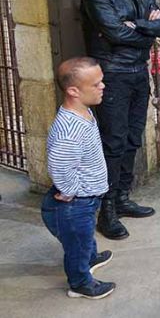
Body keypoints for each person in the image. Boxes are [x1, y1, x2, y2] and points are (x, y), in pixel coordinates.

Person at [81, 0, 160, 240]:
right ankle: (106, 211)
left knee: (133, 138)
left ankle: (122, 198)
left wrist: (140, 25)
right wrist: (146, 28)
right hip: (113, 75)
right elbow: (115, 32)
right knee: (113, 141)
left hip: (138, 74)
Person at [41, 57, 116, 299]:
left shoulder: (83, 111)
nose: (102, 86)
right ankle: (81, 283)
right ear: (73, 91)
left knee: (84, 236)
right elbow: (60, 167)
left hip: (87, 196)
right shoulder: (69, 131)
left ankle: (90, 257)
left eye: (101, 80)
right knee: (77, 244)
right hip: (75, 202)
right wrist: (71, 190)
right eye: (96, 84)